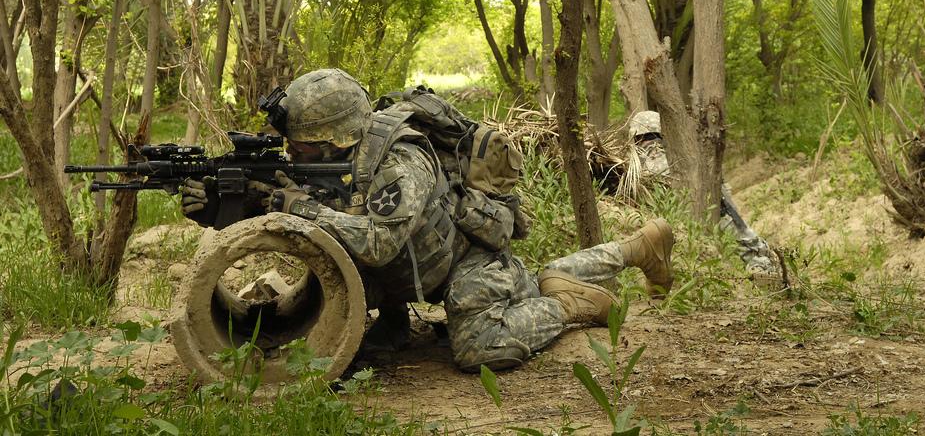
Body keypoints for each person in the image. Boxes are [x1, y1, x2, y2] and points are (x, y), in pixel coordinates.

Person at [182, 68, 676, 371]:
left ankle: (568, 305)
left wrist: (292, 204)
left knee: (480, 349)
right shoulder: (333, 157)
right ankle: (630, 250)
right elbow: (310, 211)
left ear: (335, 139)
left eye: (300, 147)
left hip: (467, 266)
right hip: (412, 269)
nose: (292, 156)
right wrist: (224, 208)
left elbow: (375, 244)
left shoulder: (400, 160)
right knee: (532, 279)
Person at [627, 110, 783, 285]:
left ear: (635, 138)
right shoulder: (677, 153)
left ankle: (761, 264)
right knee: (740, 234)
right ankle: (762, 264)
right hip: (708, 210)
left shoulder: (637, 164)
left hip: (674, 229)